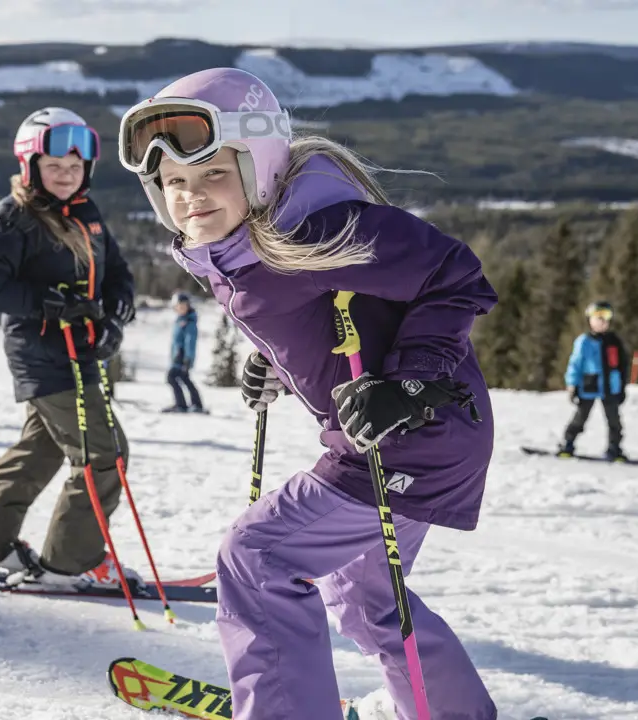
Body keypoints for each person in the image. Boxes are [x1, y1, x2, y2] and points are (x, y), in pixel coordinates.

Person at [118, 67, 499, 719]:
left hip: (408, 436)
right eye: (174, 183)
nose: (191, 197)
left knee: (257, 555)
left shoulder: (313, 232)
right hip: (434, 436)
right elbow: (324, 317)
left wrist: (409, 383)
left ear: (259, 167)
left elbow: (453, 272)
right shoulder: (238, 247)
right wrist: (280, 363)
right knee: (370, 594)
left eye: (214, 174)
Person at [0, 106, 137, 589]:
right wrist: (49, 306)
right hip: (46, 357)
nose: (65, 176)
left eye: (75, 168)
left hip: (83, 354)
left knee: (39, 452)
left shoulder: (85, 215)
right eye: (55, 167)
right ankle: (69, 564)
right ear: (31, 167)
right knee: (105, 454)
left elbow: (116, 274)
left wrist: (115, 316)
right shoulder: (15, 217)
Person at [559, 300, 629, 460]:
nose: (602, 321)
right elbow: (575, 365)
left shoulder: (614, 342)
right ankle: (567, 443)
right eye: (598, 317)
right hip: (588, 386)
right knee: (580, 417)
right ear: (590, 320)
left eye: (606, 316)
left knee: (614, 421)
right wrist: (572, 385)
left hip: (610, 387)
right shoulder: (584, 341)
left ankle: (614, 448)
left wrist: (622, 387)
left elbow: (622, 366)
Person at [162, 291, 205, 413]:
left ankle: (182, 405)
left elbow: (190, 342)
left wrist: (187, 358)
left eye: (184, 305)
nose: (181, 308)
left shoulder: (189, 322)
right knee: (184, 378)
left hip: (182, 357)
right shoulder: (180, 320)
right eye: (179, 306)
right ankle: (195, 404)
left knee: (171, 377)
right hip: (177, 356)